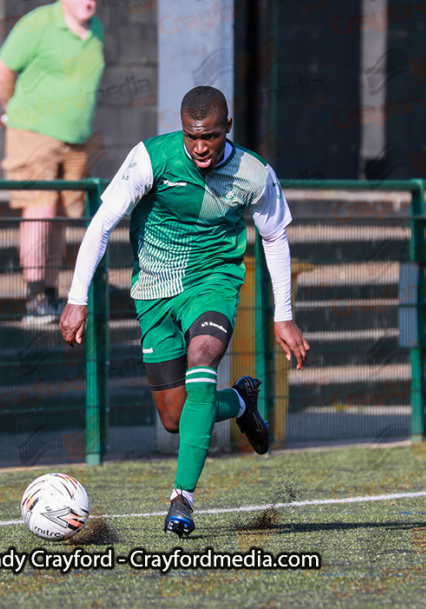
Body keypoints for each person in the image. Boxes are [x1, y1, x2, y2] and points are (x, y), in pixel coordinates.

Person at [59, 86, 310, 537]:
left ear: (227, 127)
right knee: (175, 418)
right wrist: (77, 297)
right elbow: (102, 223)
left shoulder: (254, 173)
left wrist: (283, 314)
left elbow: (274, 238)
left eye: (210, 137)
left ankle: (182, 498)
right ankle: (239, 402)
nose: (200, 147)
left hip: (213, 284)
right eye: (192, 136)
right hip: (155, 291)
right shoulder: (150, 159)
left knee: (204, 357)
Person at [0, 0, 114, 323]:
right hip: (33, 132)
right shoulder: (36, 24)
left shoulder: (96, 30)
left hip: (76, 140)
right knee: (39, 210)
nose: (87, 1)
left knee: (62, 215)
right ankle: (33, 298)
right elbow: (2, 70)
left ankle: (50, 292)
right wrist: (10, 110)